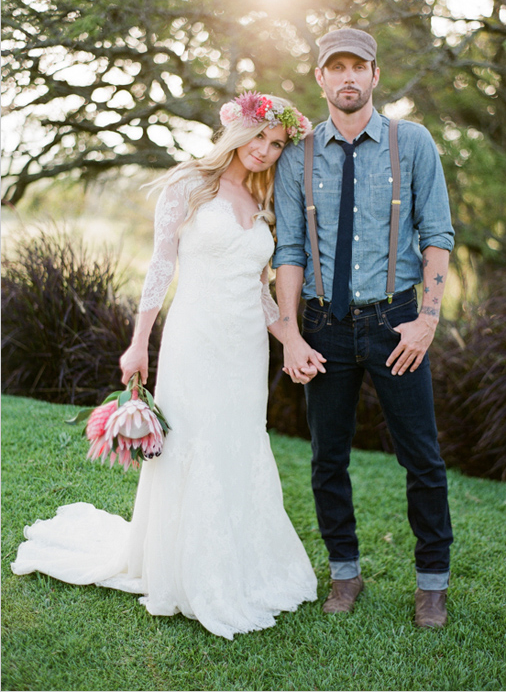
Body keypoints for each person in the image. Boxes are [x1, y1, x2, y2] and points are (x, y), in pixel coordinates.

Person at [11, 92, 317, 640]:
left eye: (276, 145)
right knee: (193, 443)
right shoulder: (188, 186)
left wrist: (290, 341)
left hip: (246, 349)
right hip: (195, 340)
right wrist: (139, 344)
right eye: (260, 138)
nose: (266, 151)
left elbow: (261, 294)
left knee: (239, 441)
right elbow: (160, 268)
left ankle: (242, 567)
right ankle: (186, 571)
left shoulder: (262, 198)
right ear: (237, 132)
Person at [272, 28, 454, 628]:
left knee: (422, 457)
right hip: (324, 324)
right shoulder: (298, 155)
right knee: (328, 459)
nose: (348, 77)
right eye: (336, 68)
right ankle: (344, 573)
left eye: (360, 67)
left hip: (397, 321)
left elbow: (437, 237)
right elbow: (291, 248)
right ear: (320, 79)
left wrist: (426, 322)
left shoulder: (414, 142)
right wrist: (292, 333)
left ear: (376, 76)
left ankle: (432, 583)